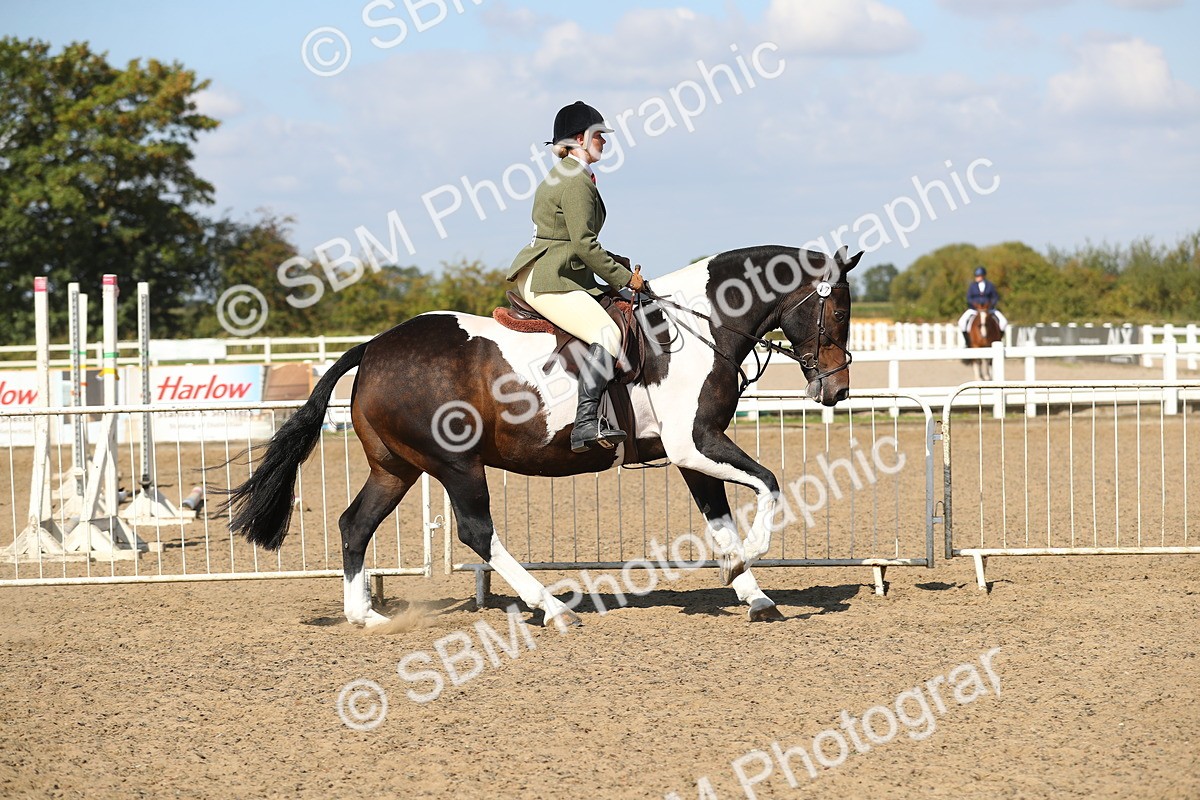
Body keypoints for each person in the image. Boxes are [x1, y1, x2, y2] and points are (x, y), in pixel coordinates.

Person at [507, 101, 646, 453]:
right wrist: (625, 279)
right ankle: (585, 422)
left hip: (560, 271)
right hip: (548, 276)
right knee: (606, 332)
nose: (605, 142)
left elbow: (577, 242)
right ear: (580, 139)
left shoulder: (574, 175)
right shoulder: (573, 180)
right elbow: (585, 245)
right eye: (599, 135)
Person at [958, 266, 1007, 346]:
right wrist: (974, 305)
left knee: (1004, 322)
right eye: (976, 276)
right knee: (961, 322)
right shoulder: (972, 286)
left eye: (979, 276)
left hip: (988, 309)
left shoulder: (990, 286)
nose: (977, 278)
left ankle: (999, 340)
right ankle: (968, 342)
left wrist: (991, 305)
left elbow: (995, 297)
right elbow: (969, 298)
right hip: (974, 309)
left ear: (983, 276)